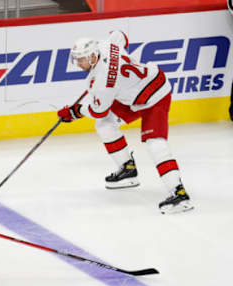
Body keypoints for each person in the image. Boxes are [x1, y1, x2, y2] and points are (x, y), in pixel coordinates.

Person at [57, 31, 193, 214]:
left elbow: (98, 110)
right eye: (76, 59)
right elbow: (120, 36)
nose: (78, 63)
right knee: (105, 125)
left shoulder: (102, 82)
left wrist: (75, 111)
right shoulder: (105, 45)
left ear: (92, 56)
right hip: (133, 93)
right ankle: (128, 169)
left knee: (155, 144)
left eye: (81, 59)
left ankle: (179, 194)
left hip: (154, 96)